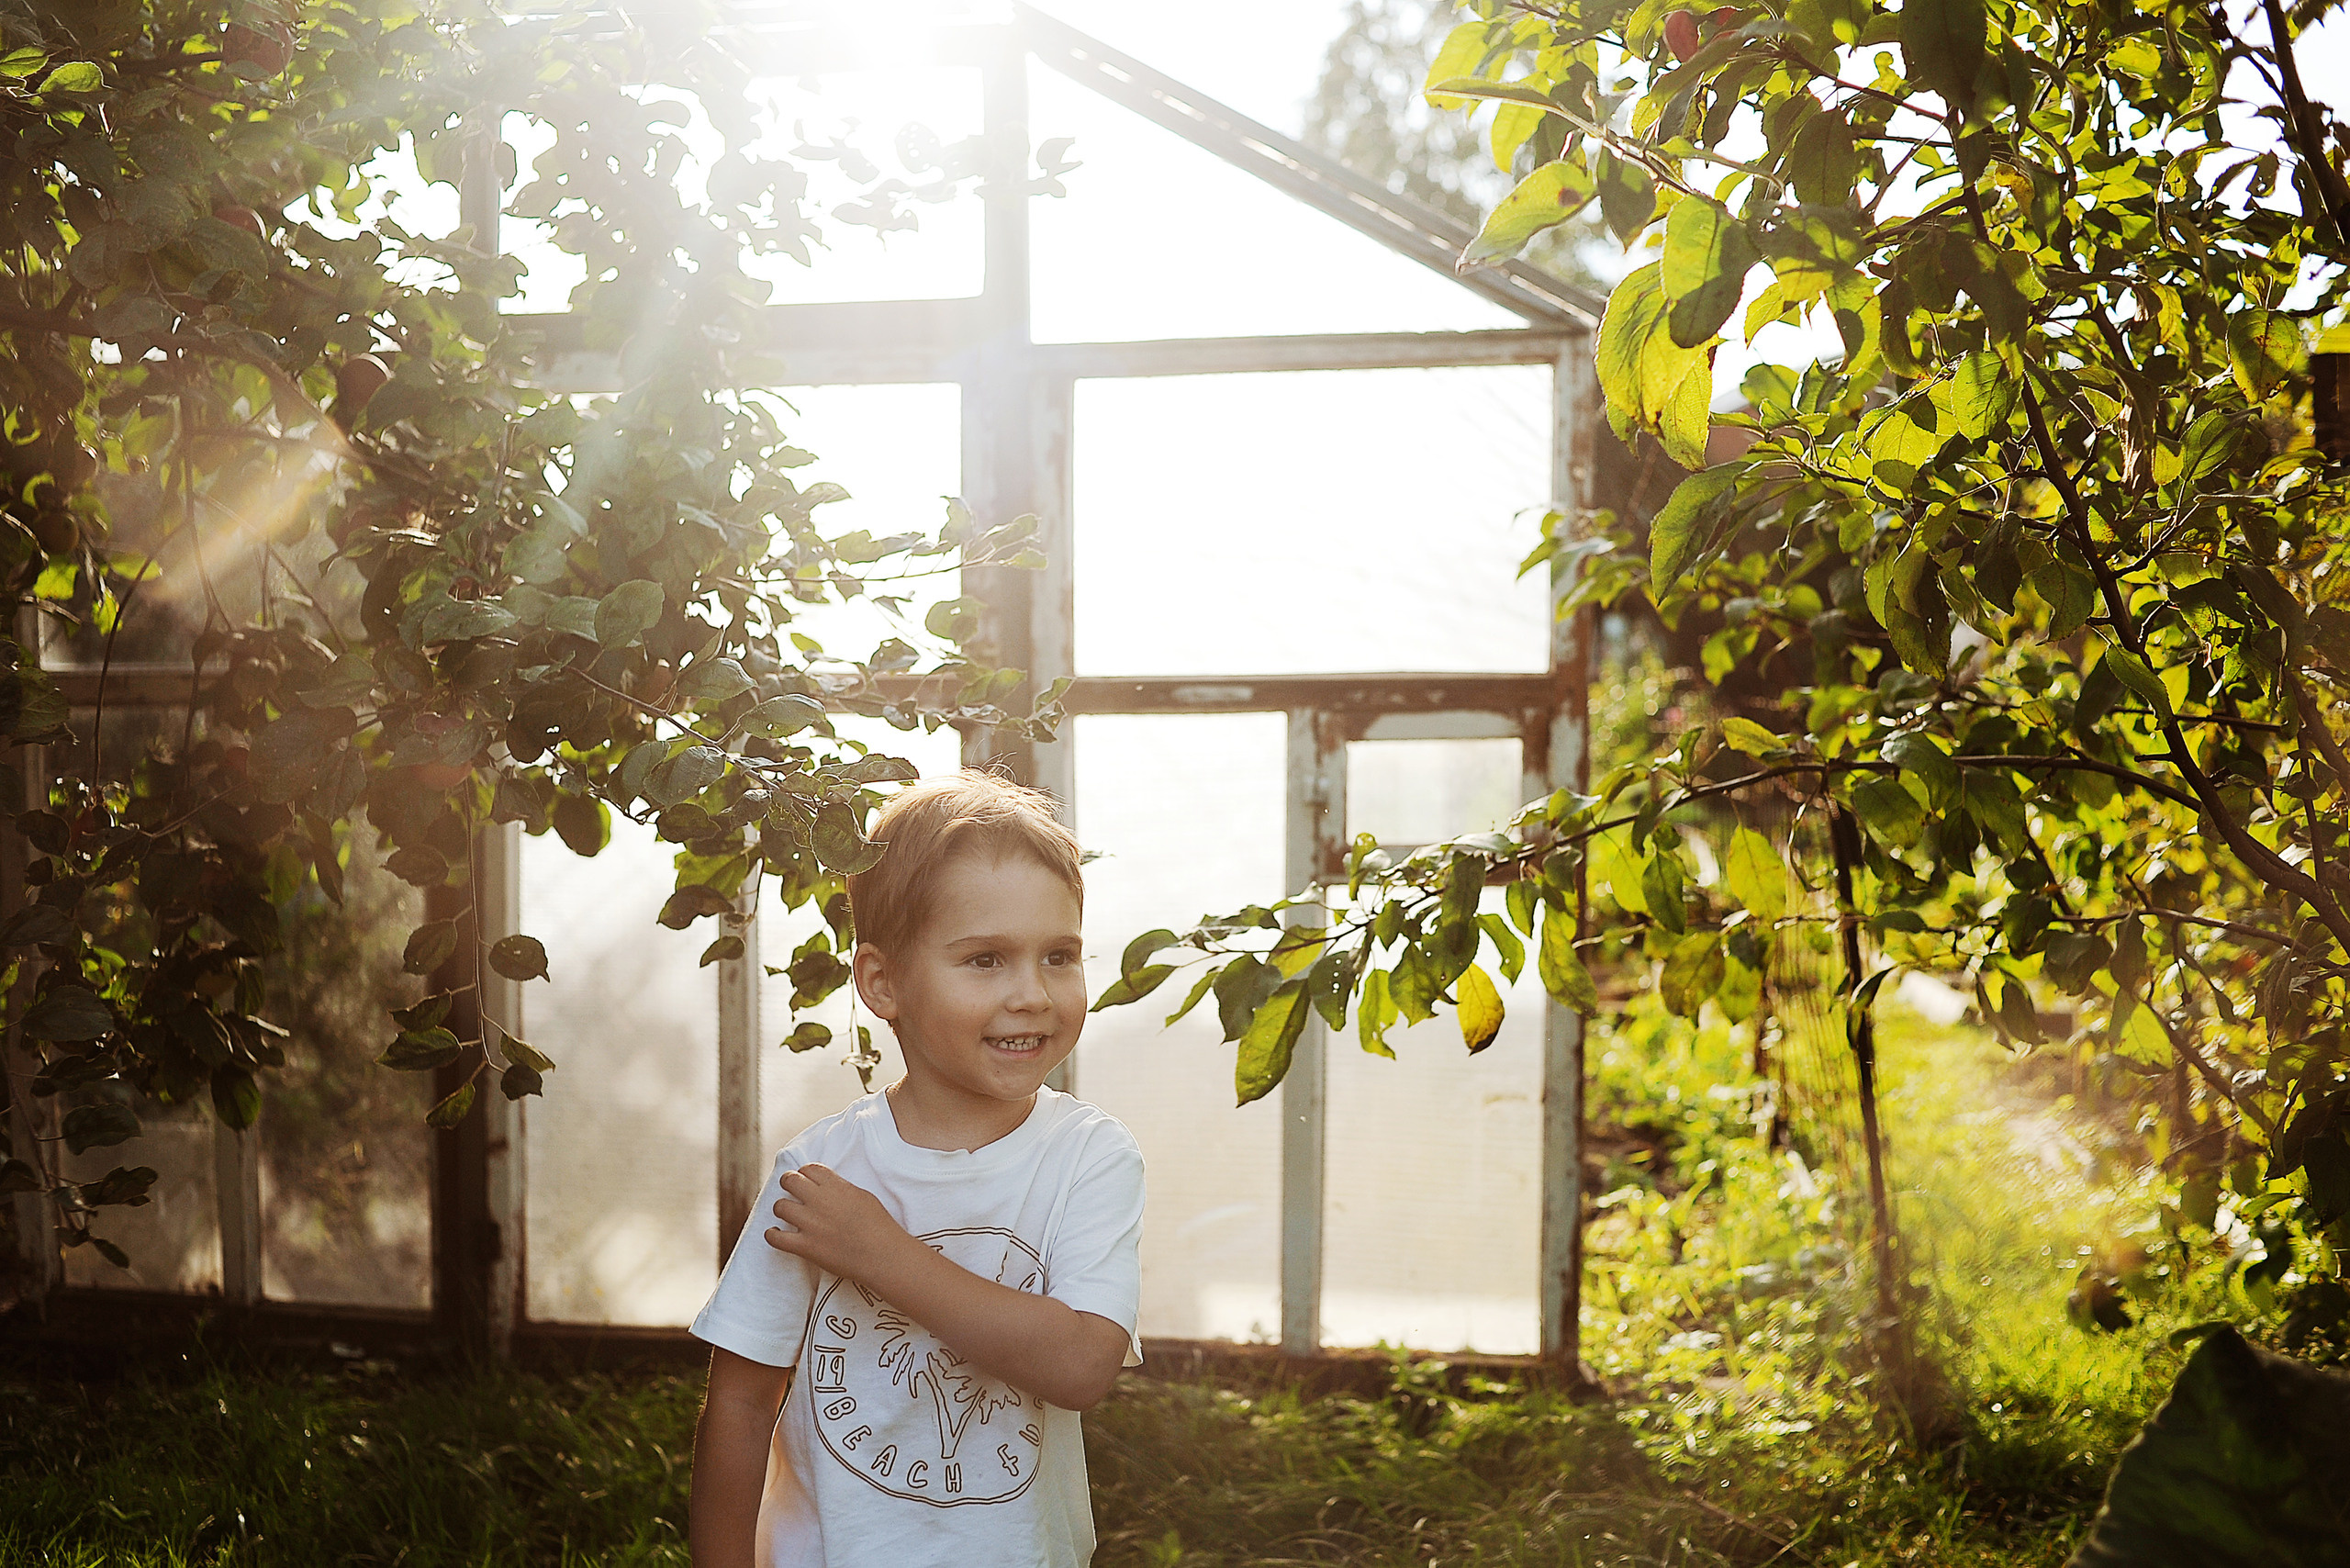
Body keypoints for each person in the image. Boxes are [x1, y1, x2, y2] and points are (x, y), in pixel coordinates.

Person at [688, 770, 1146, 1568]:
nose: (1034, 994)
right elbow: (738, 1399)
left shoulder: (1091, 1158)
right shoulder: (820, 1171)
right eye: (986, 960)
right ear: (883, 983)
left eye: (1059, 956)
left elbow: (1080, 1364)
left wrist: (882, 1255)